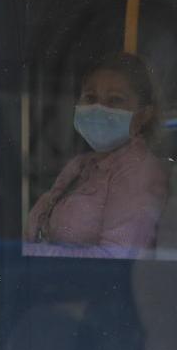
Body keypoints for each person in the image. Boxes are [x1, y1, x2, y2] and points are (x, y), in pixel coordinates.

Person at [25, 52, 170, 259]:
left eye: (115, 100)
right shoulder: (80, 165)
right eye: (91, 98)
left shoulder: (140, 172)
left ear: (144, 115)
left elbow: (115, 261)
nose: (99, 109)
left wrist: (30, 253)